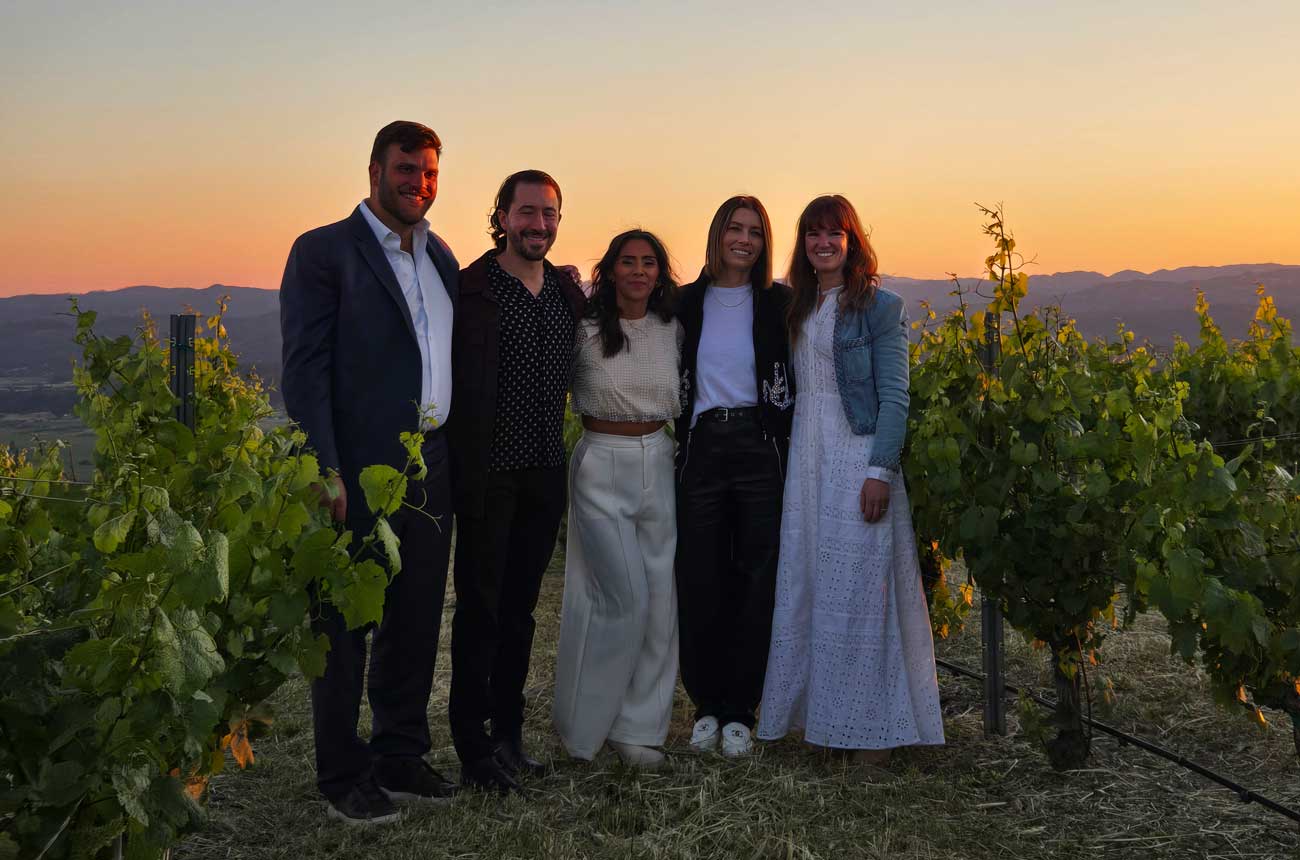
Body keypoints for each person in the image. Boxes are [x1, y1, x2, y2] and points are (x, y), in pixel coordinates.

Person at [280, 120, 459, 825]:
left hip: (432, 460)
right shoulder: (324, 251)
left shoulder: (439, 254)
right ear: (375, 171)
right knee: (346, 622)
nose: (420, 183)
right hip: (357, 466)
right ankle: (341, 774)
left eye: (430, 172)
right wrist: (327, 467)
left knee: (415, 618)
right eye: (407, 169)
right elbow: (304, 369)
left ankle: (399, 753)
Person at [756, 195, 944, 765]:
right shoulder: (797, 305)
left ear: (852, 240)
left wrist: (879, 471)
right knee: (812, 589)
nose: (823, 243)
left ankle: (873, 738)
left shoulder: (881, 307)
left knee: (863, 595)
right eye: (812, 234)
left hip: (855, 455)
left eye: (833, 234)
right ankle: (824, 723)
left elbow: (895, 398)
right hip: (807, 461)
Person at [447, 170, 586, 795]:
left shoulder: (563, 292)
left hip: (543, 475)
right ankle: (472, 749)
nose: (539, 224)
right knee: (480, 611)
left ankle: (507, 734)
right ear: (501, 216)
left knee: (522, 613)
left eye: (549, 214)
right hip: (486, 475)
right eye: (526, 212)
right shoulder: (470, 290)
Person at [552, 230, 683, 769]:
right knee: (618, 598)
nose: (638, 271)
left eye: (648, 262)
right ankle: (584, 730)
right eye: (627, 262)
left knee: (658, 601)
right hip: (601, 460)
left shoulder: (673, 328)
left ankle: (639, 730)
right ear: (610, 270)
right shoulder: (584, 329)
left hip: (659, 458)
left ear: (659, 273)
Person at [674, 196, 793, 758]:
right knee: (700, 575)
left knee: (755, 577)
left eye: (755, 231)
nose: (744, 239)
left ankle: (742, 708)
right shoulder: (684, 303)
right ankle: (706, 704)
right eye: (734, 228)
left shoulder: (779, 303)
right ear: (717, 233)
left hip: (758, 446)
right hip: (702, 447)